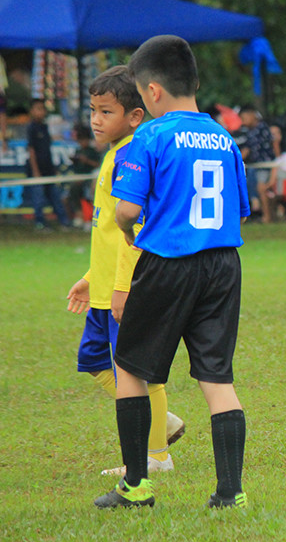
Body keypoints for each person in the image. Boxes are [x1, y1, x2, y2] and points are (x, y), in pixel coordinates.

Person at [93, 35, 251, 509]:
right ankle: (230, 492)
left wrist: (128, 230)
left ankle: (137, 486)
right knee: (217, 378)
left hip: (167, 261)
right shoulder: (225, 139)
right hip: (223, 264)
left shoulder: (150, 136)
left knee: (130, 367)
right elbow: (239, 210)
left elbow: (125, 210)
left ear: (153, 92)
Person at [65, 65, 185, 477]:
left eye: (106, 111)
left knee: (136, 370)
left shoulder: (134, 155)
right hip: (103, 287)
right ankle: (161, 423)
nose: (96, 120)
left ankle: (157, 456)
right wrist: (90, 275)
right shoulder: (115, 153)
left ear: (135, 115)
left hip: (126, 288)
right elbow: (107, 229)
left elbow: (134, 232)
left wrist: (121, 287)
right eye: (93, 110)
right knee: (95, 358)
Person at [25, 98, 72, 230]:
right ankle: (40, 222)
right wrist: (35, 171)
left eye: (43, 108)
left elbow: (47, 149)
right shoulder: (31, 128)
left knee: (55, 196)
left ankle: (64, 222)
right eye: (38, 109)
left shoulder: (44, 127)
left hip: (48, 169)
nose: (41, 112)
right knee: (38, 198)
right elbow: (31, 150)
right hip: (37, 170)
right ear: (32, 111)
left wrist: (53, 168)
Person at [240, 104, 279, 223]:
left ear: (252, 115)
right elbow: (247, 149)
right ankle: (261, 213)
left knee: (261, 188)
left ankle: (267, 217)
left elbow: (274, 144)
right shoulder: (249, 132)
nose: (243, 121)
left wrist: (277, 162)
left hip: (266, 164)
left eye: (244, 117)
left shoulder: (263, 128)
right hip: (255, 166)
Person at [66, 124, 101, 228]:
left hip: (90, 180)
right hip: (78, 180)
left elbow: (98, 165)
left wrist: (86, 161)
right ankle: (78, 217)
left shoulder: (92, 151)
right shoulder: (78, 151)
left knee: (88, 197)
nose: (81, 143)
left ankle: (89, 219)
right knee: (69, 195)